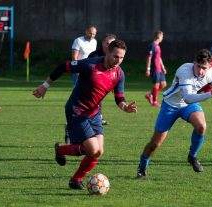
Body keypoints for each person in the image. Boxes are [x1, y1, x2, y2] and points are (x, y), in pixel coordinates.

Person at [33, 40, 137, 189]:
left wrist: (125, 107)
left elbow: (119, 97)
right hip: (77, 110)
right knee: (92, 149)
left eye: (121, 58)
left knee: (99, 151)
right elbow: (64, 66)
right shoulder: (90, 65)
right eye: (115, 56)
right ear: (108, 52)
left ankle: (74, 178)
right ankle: (62, 152)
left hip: (94, 113)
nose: (118, 61)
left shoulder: (119, 74)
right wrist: (45, 86)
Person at [136, 49, 212, 178]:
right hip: (170, 105)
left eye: (204, 68)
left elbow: (209, 86)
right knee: (155, 143)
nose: (200, 71)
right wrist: (210, 94)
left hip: (188, 105)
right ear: (194, 62)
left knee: (201, 126)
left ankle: (192, 156)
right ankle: (142, 166)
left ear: (210, 66)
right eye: (198, 66)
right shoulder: (185, 70)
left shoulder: (211, 72)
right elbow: (188, 97)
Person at [87, 33, 117, 126]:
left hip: (103, 83)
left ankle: (98, 117)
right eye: (107, 43)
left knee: (99, 100)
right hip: (89, 82)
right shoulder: (94, 55)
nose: (109, 46)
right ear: (103, 43)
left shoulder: (114, 56)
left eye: (111, 44)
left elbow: (114, 71)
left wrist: (113, 85)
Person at [145, 31, 167, 107]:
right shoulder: (152, 45)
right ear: (159, 36)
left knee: (163, 84)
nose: (162, 38)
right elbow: (149, 57)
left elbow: (159, 57)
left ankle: (150, 94)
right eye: (162, 37)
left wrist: (163, 67)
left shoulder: (158, 46)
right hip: (154, 68)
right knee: (156, 85)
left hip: (159, 68)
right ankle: (154, 102)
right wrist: (148, 68)